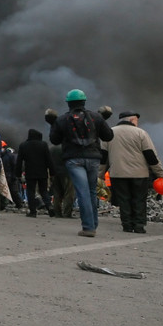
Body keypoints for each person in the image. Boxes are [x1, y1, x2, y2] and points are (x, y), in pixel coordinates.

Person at [48, 89, 114, 238]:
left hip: (74, 159)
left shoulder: (63, 119)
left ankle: (88, 227)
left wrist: (52, 123)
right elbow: (109, 136)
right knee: (91, 191)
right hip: (93, 159)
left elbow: (55, 140)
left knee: (82, 192)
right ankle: (92, 224)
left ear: (68, 103)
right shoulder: (96, 117)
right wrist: (103, 120)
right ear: (84, 102)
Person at [101, 111, 163, 233]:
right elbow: (151, 156)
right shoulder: (141, 133)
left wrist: (99, 175)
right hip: (139, 175)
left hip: (118, 174)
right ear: (132, 120)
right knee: (139, 199)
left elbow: (103, 157)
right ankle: (139, 226)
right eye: (136, 120)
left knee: (124, 200)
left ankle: (126, 225)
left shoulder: (109, 133)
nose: (137, 123)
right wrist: (160, 173)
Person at [15, 129, 54, 218]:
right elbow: (49, 160)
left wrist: (18, 174)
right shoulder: (43, 145)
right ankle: (50, 206)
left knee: (30, 192)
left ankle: (33, 211)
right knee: (44, 191)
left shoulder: (23, 145)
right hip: (42, 172)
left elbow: (19, 161)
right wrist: (52, 173)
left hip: (30, 173)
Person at [49, 144, 75, 217]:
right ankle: (67, 213)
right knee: (69, 193)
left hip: (54, 173)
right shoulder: (69, 147)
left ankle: (57, 213)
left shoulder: (51, 148)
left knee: (56, 194)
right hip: (67, 172)